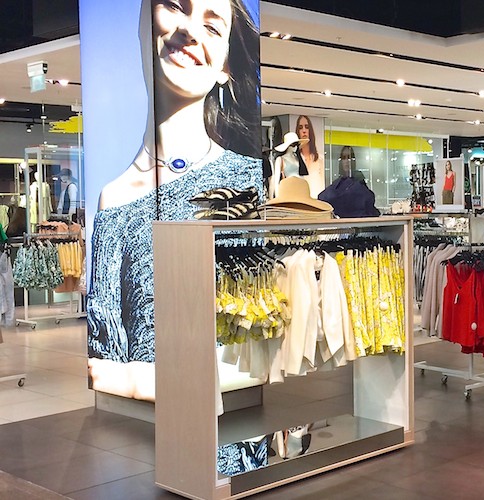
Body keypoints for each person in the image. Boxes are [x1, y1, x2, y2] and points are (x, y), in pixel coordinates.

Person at [86, 0, 265, 401]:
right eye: (174, 6)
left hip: (229, 420)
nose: (190, 30)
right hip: (137, 432)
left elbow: (256, 338)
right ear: (145, 21)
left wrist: (137, 381)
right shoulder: (113, 200)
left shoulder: (244, 181)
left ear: (225, 67)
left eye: (213, 27)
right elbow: (104, 359)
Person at [295, 115, 324, 197]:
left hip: (317, 200)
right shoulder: (294, 159)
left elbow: (322, 183)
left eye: (307, 127)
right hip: (300, 199)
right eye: (300, 128)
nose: (304, 131)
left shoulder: (320, 159)